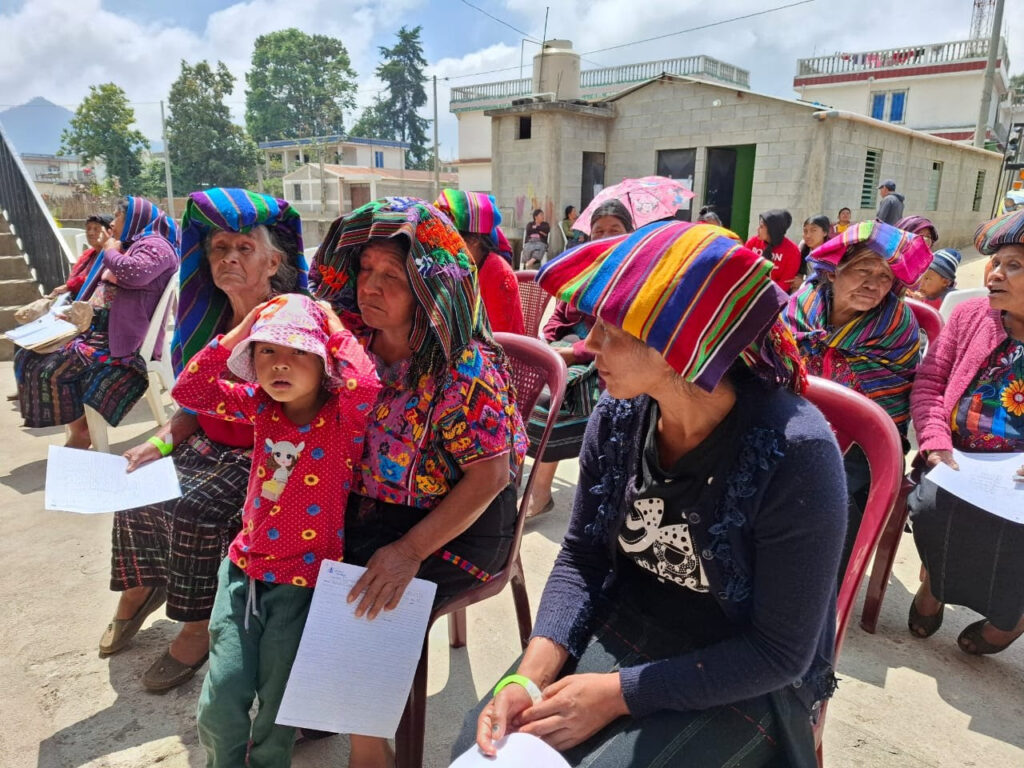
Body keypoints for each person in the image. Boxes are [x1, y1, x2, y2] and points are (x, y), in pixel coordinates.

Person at [459, 219, 847, 768]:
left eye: (612, 329)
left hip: (744, 670)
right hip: (632, 617)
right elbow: (584, 556)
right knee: (483, 751)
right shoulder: (618, 417)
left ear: (680, 344)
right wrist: (530, 672)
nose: (588, 344)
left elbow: (779, 653)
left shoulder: (795, 454)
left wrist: (617, 695)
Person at [312, 197, 527, 768]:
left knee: (359, 596)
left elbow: (490, 476)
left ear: (430, 289)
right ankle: (320, 697)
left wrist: (408, 551)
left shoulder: (464, 367)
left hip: (460, 525)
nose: (370, 288)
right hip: (374, 510)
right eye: (365, 270)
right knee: (287, 560)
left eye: (392, 277)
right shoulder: (353, 346)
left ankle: (369, 755)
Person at [102, 189, 308, 692]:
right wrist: (161, 443)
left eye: (243, 248)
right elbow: (192, 406)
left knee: (195, 508)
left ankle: (197, 628)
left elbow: (296, 413)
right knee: (137, 481)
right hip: (208, 444)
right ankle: (139, 587)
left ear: (273, 261)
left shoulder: (291, 320)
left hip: (267, 453)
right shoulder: (205, 319)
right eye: (219, 249)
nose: (229, 258)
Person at [172, 293, 378, 767]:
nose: (280, 365)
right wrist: (244, 327)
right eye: (267, 351)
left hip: (303, 585)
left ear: (324, 362)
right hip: (242, 573)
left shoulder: (341, 419)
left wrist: (329, 322)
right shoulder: (260, 407)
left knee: (280, 701)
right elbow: (191, 391)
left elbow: (364, 385)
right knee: (222, 695)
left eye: (299, 352)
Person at [907, 209, 1024, 655]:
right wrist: (936, 444)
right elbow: (931, 383)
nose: (993, 274)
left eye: (1012, 265)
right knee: (933, 506)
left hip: (1018, 474)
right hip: (959, 457)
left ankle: (1007, 621)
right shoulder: (972, 315)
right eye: (995, 262)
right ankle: (937, 584)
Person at [782, 220, 929, 569]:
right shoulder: (801, 305)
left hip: (862, 443)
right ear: (833, 271)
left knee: (828, 495)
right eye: (863, 269)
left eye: (884, 277)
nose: (873, 284)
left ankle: (822, 587)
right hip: (794, 420)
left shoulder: (896, 325)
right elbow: (775, 369)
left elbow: (887, 408)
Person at [15, 196, 179, 448]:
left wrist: (110, 250)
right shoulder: (132, 244)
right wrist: (74, 314)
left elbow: (132, 274)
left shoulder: (156, 246)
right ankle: (80, 425)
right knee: (29, 354)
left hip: (122, 340)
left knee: (50, 363)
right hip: (100, 331)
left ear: (134, 218)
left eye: (117, 216)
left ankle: (83, 430)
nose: (112, 222)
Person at [524, 199, 633, 519]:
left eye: (615, 230)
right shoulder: (581, 269)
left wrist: (575, 352)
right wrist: (552, 341)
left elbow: (622, 334)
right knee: (529, 389)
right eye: (599, 230)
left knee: (553, 403)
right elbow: (559, 314)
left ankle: (541, 493)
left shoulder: (632, 275)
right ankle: (520, 481)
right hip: (570, 350)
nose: (605, 236)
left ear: (630, 234)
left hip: (607, 357)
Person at [434, 189, 525, 334]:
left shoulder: (499, 276)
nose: (443, 247)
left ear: (474, 240)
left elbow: (499, 340)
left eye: (450, 240)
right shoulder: (459, 267)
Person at [51, 213, 113, 299]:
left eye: (96, 229)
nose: (91, 233)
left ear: (109, 232)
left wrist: (68, 287)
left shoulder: (113, 255)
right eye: (88, 228)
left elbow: (97, 278)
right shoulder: (87, 255)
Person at [745, 209, 802, 292]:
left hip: (774, 297)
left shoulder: (792, 251)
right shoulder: (752, 243)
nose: (757, 229)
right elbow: (742, 269)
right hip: (747, 292)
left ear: (773, 230)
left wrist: (763, 294)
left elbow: (785, 283)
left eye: (761, 227)